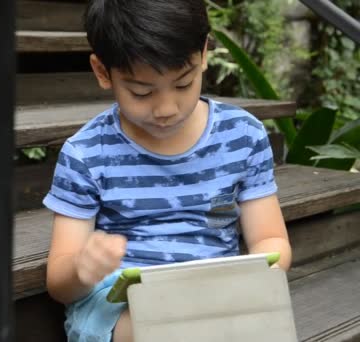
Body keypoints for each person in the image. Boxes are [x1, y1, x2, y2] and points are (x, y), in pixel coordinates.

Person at [42, 1, 292, 341]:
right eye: (141, 92)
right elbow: (59, 281)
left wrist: (256, 277)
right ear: (103, 72)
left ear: (203, 53)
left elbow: (269, 237)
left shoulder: (242, 137)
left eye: (183, 84)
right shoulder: (86, 154)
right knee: (162, 330)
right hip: (120, 301)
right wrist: (81, 269)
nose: (166, 109)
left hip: (213, 292)